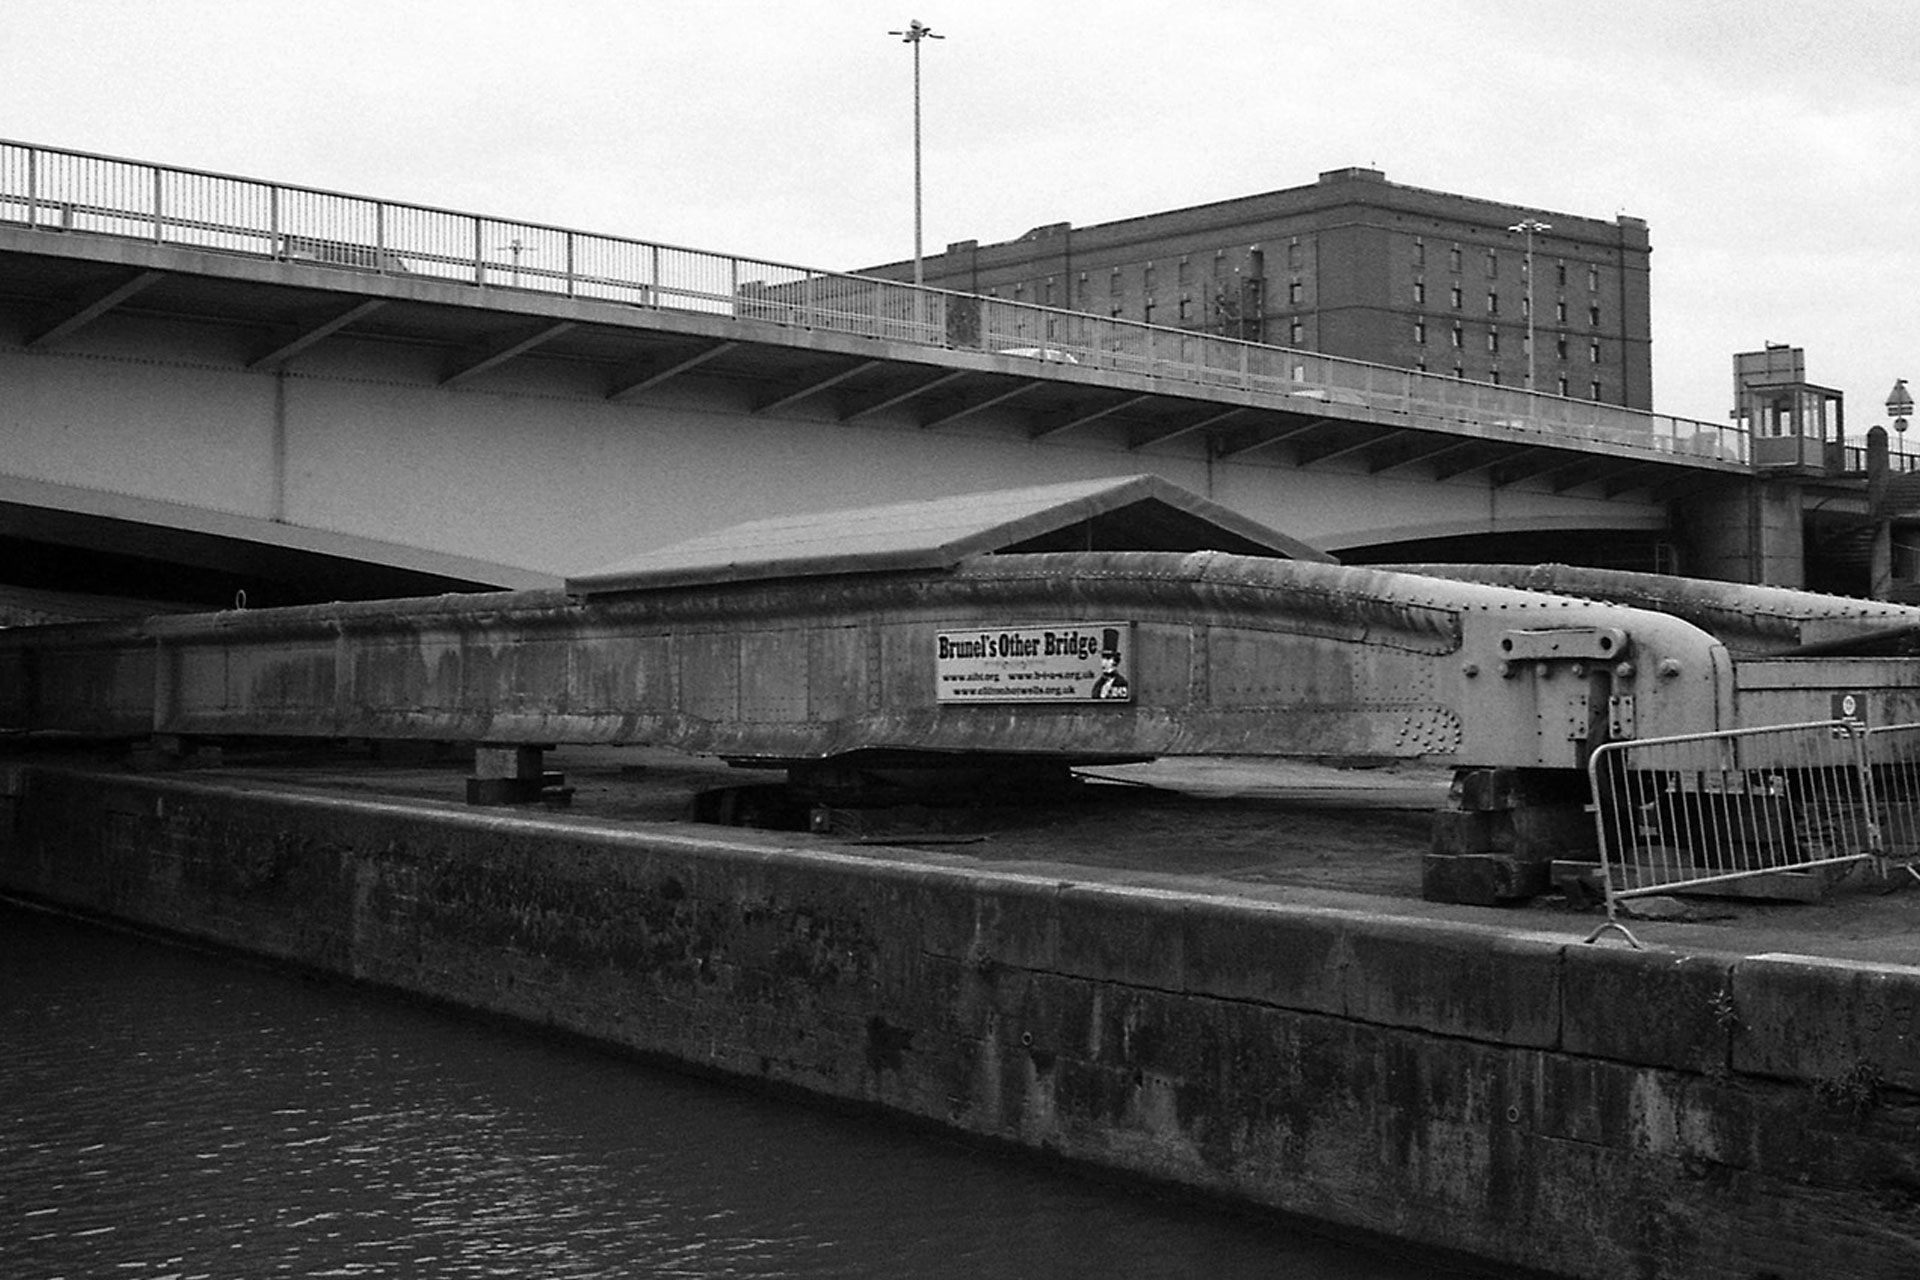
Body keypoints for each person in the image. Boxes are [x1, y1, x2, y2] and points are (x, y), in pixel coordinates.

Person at [1090, 629, 1130, 700]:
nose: (1104, 662)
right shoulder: (1098, 685)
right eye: (1103, 658)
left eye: (1108, 658)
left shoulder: (1121, 683)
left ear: (1115, 661)